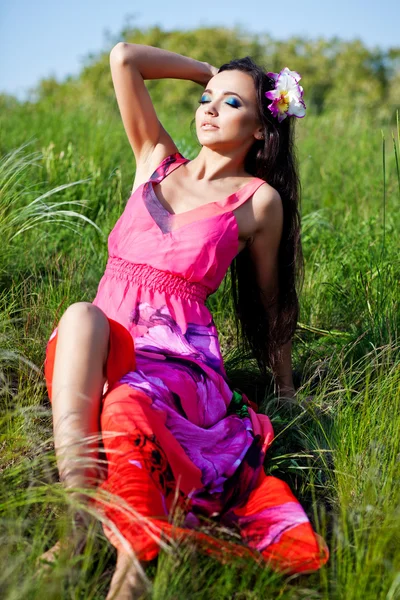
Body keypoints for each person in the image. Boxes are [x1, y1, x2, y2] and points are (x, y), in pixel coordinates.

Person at [41, 43, 329, 599]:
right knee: (80, 316)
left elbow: (270, 304)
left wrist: (286, 385)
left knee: (127, 405)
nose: (209, 108)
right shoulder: (154, 157)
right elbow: (124, 58)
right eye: (205, 98)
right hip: (101, 343)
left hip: (175, 360)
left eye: (230, 103)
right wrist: (215, 72)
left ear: (262, 131)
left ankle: (135, 563)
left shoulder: (258, 201)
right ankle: (77, 516)